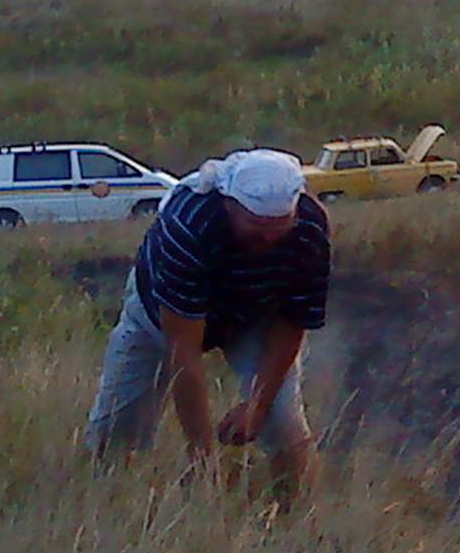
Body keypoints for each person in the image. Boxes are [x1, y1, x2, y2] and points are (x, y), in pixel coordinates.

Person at [87, 147, 331, 496]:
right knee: (117, 427)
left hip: (253, 312)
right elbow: (182, 351)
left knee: (283, 423)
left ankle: (300, 520)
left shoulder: (310, 230)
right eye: (257, 230)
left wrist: (257, 406)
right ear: (229, 206)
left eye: (279, 229)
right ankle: (106, 505)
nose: (269, 241)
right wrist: (202, 454)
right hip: (158, 313)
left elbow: (293, 321)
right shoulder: (188, 227)